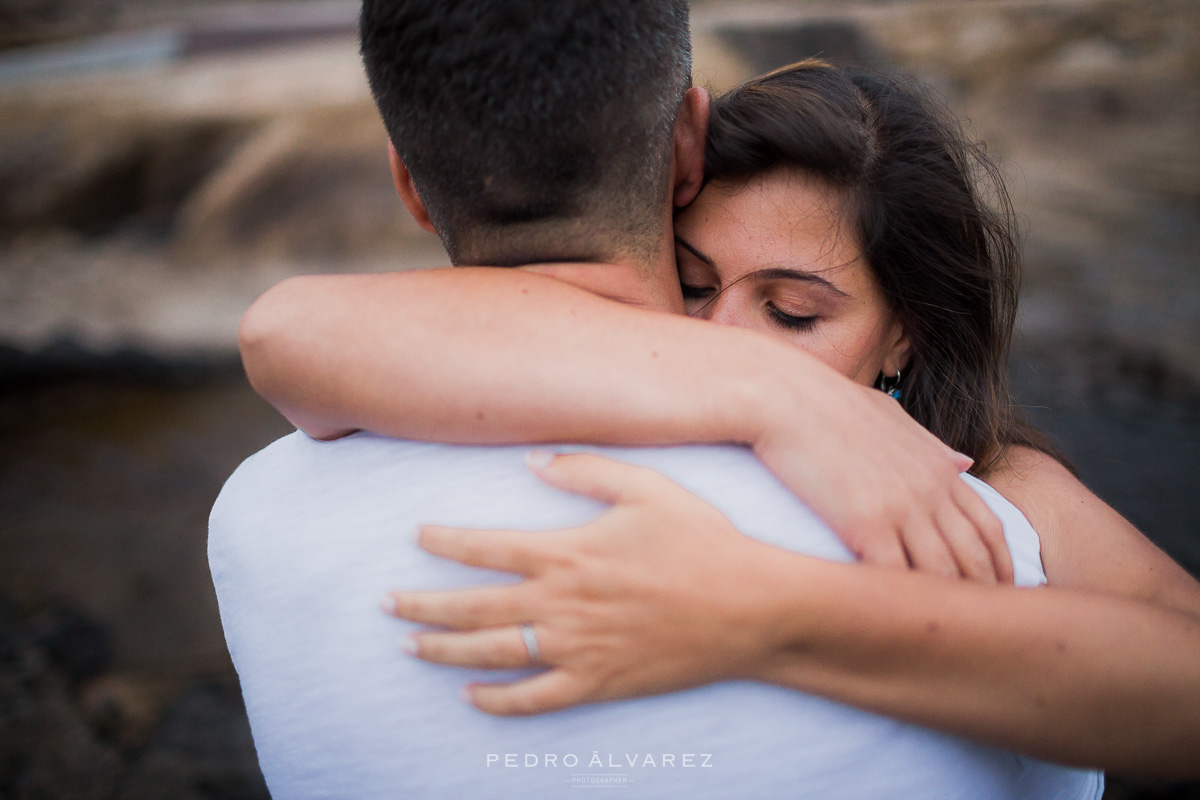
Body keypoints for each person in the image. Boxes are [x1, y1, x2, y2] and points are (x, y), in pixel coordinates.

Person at [212, 1, 1111, 797]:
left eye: (793, 314)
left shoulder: (252, 516)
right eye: (692, 283)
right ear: (688, 148)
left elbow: (286, 330)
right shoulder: (998, 540)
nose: (715, 342)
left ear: (408, 184)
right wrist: (776, 399)